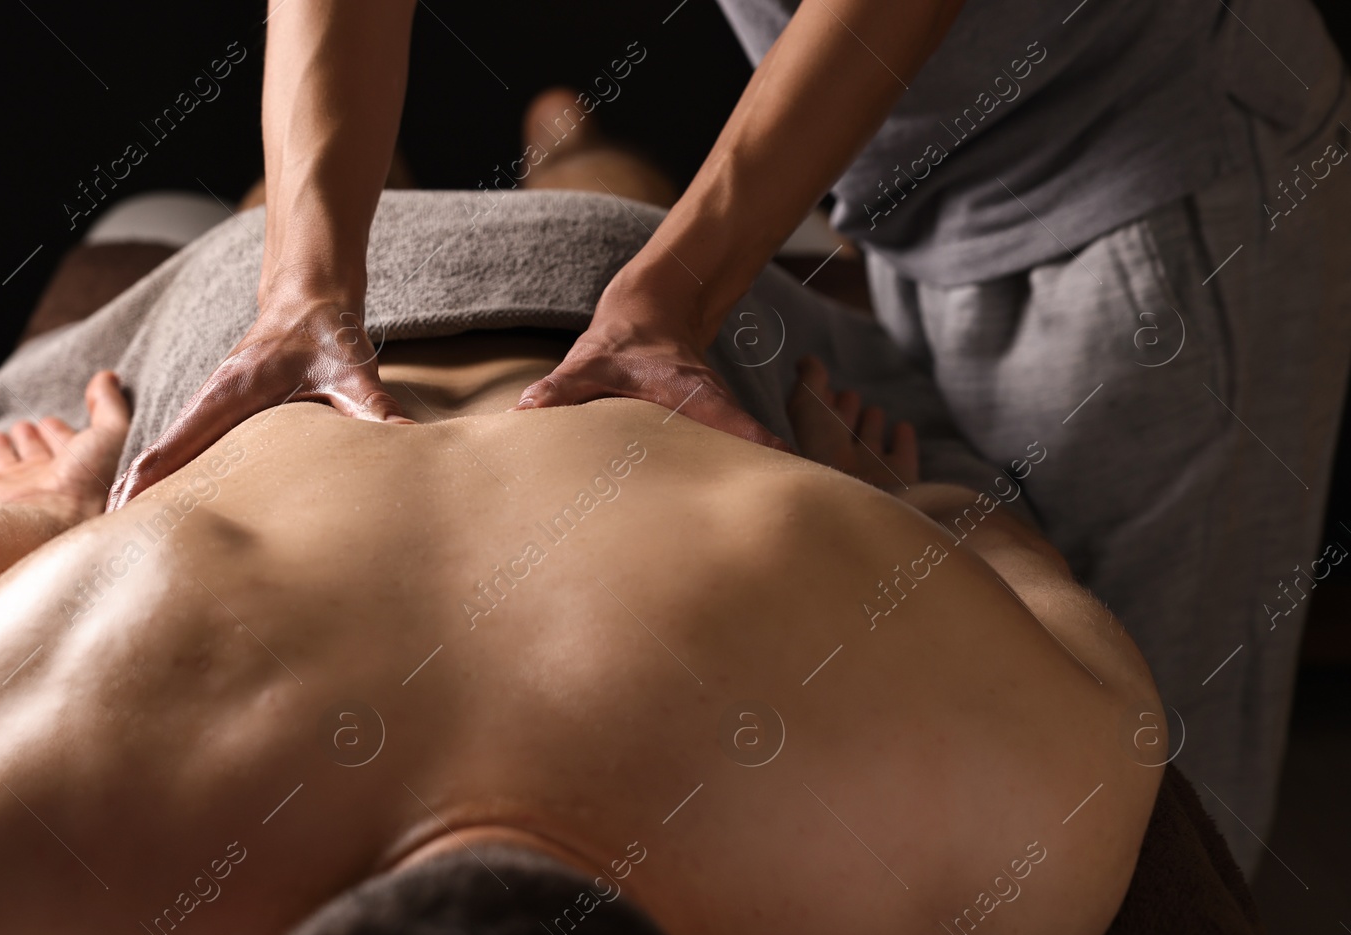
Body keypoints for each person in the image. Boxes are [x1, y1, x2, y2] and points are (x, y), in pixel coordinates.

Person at [0, 112, 1167, 935]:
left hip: (538, 316)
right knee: (569, 190)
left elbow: (1045, 605)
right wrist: (39, 514)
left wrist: (916, 515)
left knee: (355, 209)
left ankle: (539, 140)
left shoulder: (1004, 849)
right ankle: (560, 129)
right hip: (422, 335)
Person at [111, 0, 1351, 875]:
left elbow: (1109, 733)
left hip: (1146, 171)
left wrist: (672, 295)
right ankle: (565, 147)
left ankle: (571, 146)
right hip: (919, 176)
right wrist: (300, 287)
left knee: (1158, 808)